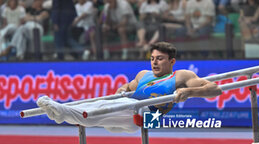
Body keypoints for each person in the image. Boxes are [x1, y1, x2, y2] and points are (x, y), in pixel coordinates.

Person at [36, 41, 222, 132]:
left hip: (149, 116)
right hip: (130, 109)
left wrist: (189, 91)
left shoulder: (181, 75)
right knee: (95, 111)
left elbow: (215, 89)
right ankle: (61, 112)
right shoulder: (143, 75)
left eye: (160, 59)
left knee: (97, 111)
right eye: (152, 58)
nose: (154, 63)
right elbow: (128, 86)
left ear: (172, 61)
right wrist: (122, 89)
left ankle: (61, 112)